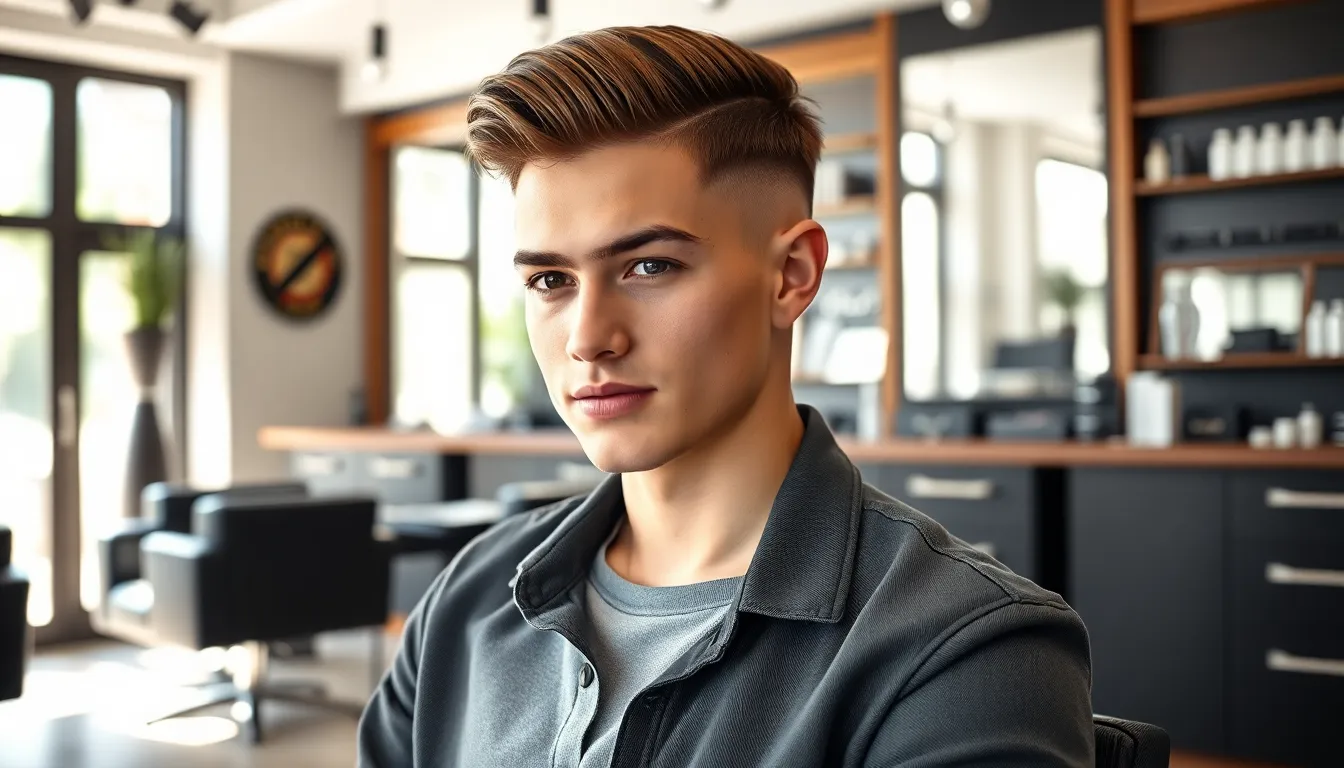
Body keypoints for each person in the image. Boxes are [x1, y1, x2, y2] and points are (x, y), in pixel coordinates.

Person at [358, 25, 1093, 768]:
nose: (587, 338)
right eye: (551, 281)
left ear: (793, 275)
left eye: (649, 266)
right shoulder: (465, 604)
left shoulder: (967, 652)